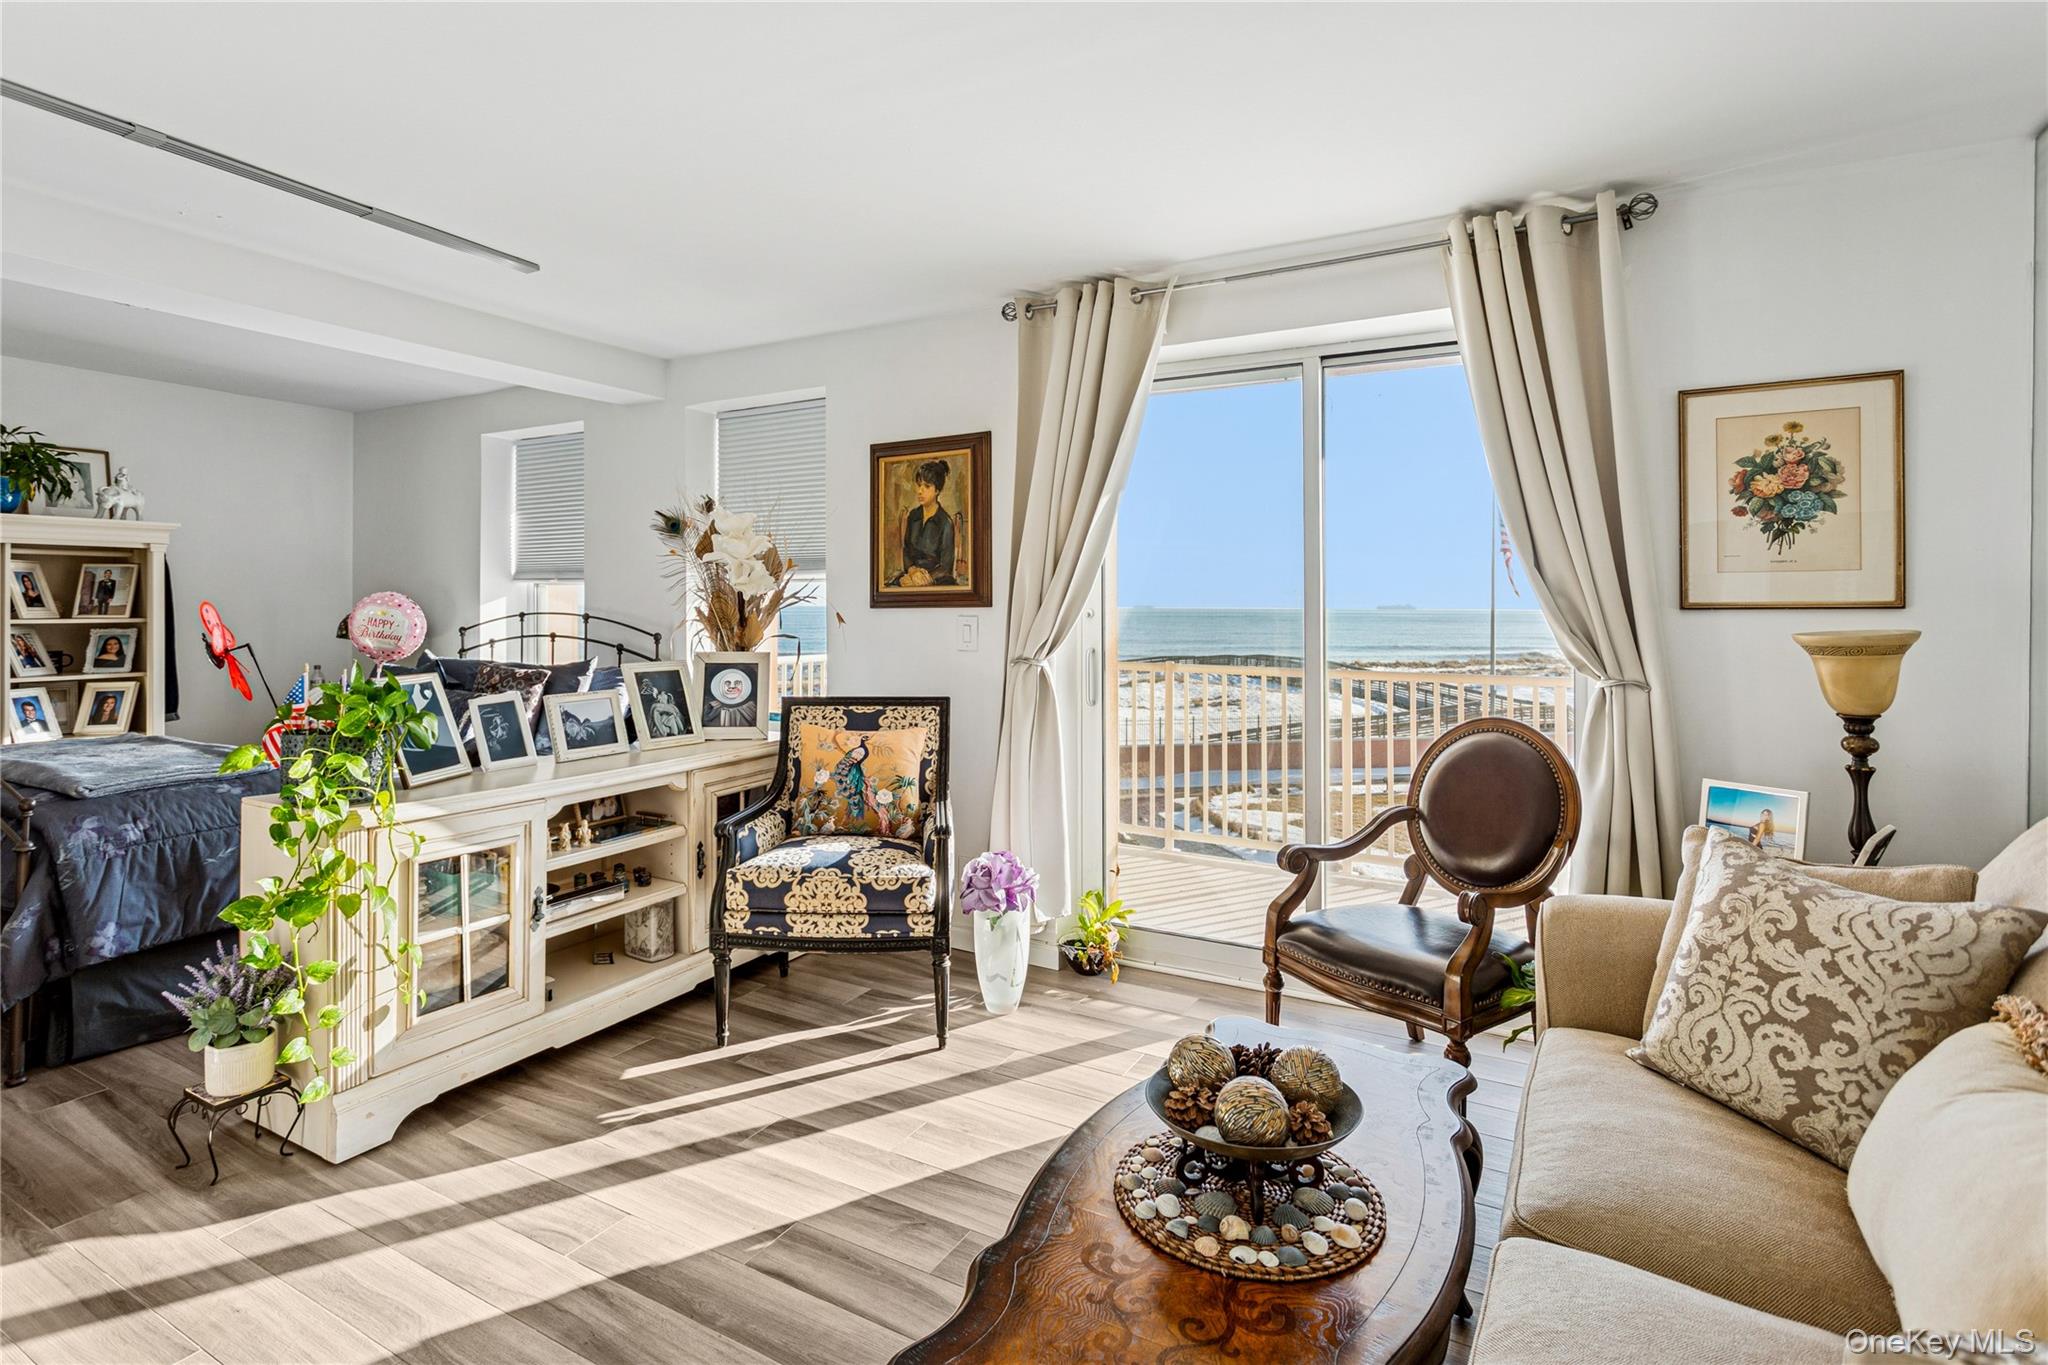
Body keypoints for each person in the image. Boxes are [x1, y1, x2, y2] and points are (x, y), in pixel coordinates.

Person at [891, 459, 959, 588]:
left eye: (927, 486)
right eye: (919, 485)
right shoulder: (913, 516)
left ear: (937, 491)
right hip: (912, 575)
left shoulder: (945, 523)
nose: (920, 491)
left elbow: (945, 567)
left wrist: (923, 579)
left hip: (937, 580)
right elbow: (907, 550)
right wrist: (912, 571)